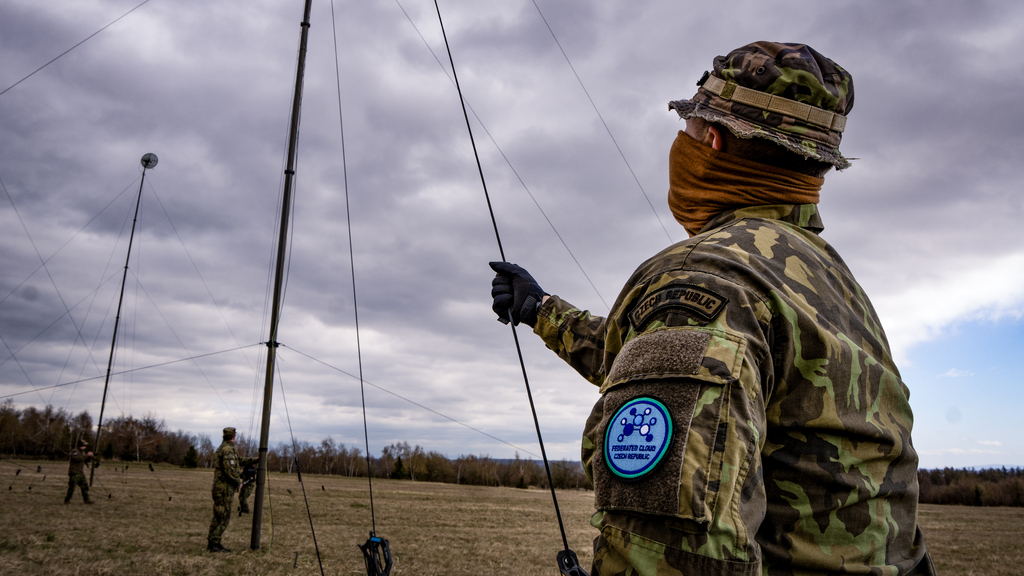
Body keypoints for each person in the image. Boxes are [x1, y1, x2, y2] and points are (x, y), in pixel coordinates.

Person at [489, 42, 936, 575]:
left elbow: (672, 553)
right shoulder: (826, 278)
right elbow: (668, 360)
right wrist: (541, 309)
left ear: (713, 141)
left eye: (690, 127)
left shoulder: (707, 275)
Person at [207, 427, 243, 552]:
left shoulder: (223, 448)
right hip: (224, 490)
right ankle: (214, 544)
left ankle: (213, 543)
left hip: (220, 488)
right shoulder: (227, 450)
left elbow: (236, 462)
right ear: (233, 437)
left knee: (218, 516)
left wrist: (254, 460)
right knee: (222, 517)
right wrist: (237, 481)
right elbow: (230, 471)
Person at [64, 440, 94, 505]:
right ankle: (67, 500)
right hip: (74, 472)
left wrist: (90, 457)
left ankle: (86, 500)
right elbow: (78, 459)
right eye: (84, 445)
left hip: (80, 472)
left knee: (85, 485)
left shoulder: (83, 452)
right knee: (72, 487)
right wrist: (86, 455)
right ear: (81, 445)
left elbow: (85, 460)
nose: (85, 446)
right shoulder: (74, 451)